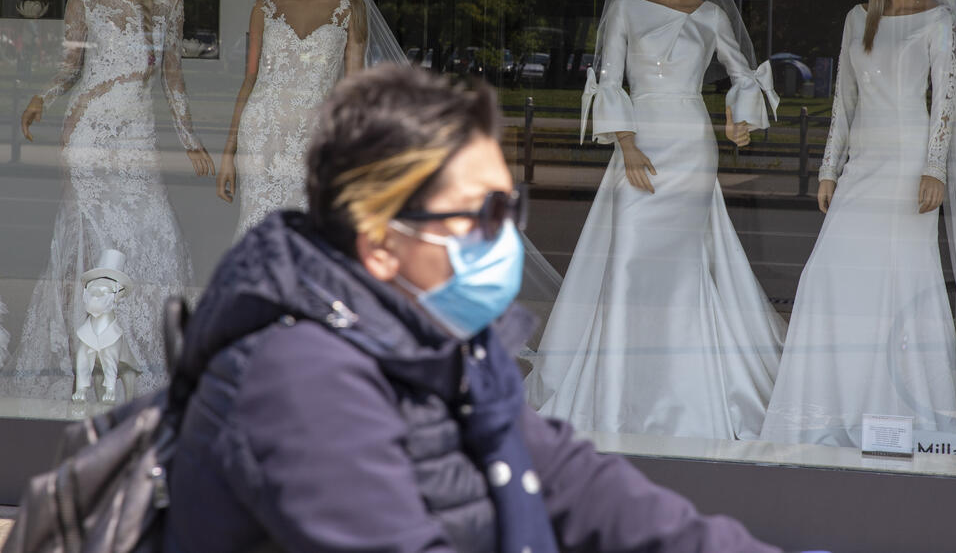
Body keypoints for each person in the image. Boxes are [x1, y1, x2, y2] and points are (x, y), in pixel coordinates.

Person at [164, 65, 779, 552]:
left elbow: (579, 485)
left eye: (506, 210)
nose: (500, 238)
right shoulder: (298, 380)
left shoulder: (444, 342)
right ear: (380, 241)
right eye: (473, 217)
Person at [523, 0, 785, 440]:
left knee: (684, 264)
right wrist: (627, 145)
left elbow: (741, 75)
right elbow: (611, 80)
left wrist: (741, 124)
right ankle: (620, 391)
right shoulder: (626, 10)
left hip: (691, 143)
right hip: (641, 144)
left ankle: (689, 392)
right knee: (632, 259)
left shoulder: (711, 16)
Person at [761, 0, 956, 446]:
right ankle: (830, 411)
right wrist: (829, 169)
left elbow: (945, 101)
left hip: (910, 166)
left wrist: (935, 169)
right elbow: (843, 102)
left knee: (903, 283)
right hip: (863, 166)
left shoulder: (939, 20)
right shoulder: (858, 19)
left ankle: (902, 418)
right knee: (830, 279)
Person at [9, 0, 214, 402]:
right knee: (89, 240)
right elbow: (70, 68)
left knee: (155, 233)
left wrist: (190, 140)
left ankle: (151, 352)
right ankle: (88, 362)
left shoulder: (168, 3)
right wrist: (42, 97)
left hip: (138, 138)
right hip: (89, 135)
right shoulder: (84, 2)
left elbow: (173, 78)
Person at [216, 0, 405, 237]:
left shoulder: (347, 8)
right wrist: (228, 153)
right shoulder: (264, 7)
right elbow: (251, 79)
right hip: (263, 135)